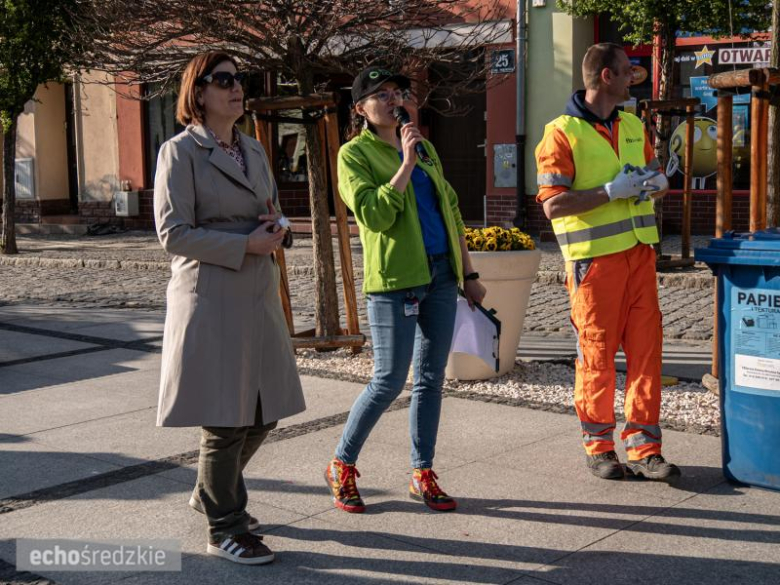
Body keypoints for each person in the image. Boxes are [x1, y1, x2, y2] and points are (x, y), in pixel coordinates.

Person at [154, 52, 306, 565]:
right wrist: (246, 245)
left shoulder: (254, 150)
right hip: (212, 298)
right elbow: (173, 233)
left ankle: (209, 492)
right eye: (224, 80)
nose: (236, 88)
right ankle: (225, 526)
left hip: (257, 294)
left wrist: (278, 229)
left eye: (240, 79)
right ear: (198, 93)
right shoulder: (180, 153)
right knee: (226, 419)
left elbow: (270, 210)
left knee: (264, 413)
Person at [324, 66, 486, 513]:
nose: (394, 99)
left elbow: (450, 211)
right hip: (395, 281)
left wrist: (468, 275)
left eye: (398, 91)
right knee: (388, 380)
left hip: (439, 276)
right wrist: (405, 164)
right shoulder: (353, 155)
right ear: (360, 108)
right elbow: (374, 215)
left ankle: (422, 471)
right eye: (381, 93)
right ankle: (342, 464)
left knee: (431, 380)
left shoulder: (426, 147)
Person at [534, 43, 681, 482]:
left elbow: (656, 180)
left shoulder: (634, 124)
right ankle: (599, 448)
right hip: (594, 263)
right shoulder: (559, 133)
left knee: (646, 354)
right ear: (604, 77)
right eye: (626, 72)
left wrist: (653, 184)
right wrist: (609, 193)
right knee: (596, 355)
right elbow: (552, 205)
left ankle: (644, 448)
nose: (633, 78)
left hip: (640, 256)